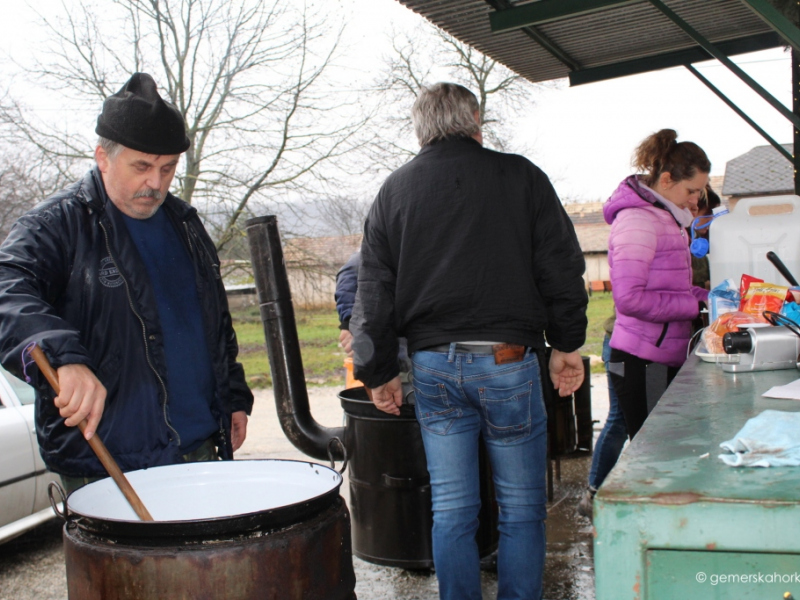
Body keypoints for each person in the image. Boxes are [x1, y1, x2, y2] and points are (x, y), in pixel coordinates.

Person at [350, 82, 588, 600]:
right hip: (508, 361)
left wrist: (378, 372)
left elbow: (373, 290)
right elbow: (562, 266)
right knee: (521, 508)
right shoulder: (521, 176)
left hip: (433, 368)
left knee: (452, 509)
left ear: (421, 130)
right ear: (475, 122)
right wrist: (567, 344)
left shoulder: (395, 190)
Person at [0, 73, 253, 492]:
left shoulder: (187, 225)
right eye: (142, 166)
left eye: (168, 168)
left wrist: (233, 395)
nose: (156, 183)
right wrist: (62, 356)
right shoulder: (57, 225)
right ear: (103, 157)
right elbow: (7, 285)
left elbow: (214, 326)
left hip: (201, 446)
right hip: (107, 463)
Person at [604, 129, 710, 441]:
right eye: (692, 190)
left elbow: (676, 289)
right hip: (642, 360)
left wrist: (714, 298)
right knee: (654, 454)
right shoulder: (638, 221)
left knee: (672, 450)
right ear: (666, 181)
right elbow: (630, 299)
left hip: (662, 355)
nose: (695, 200)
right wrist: (696, 306)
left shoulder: (667, 219)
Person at [578, 310, 626, 519]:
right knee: (619, 419)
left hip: (630, 345)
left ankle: (594, 492)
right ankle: (593, 493)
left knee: (622, 419)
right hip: (622, 347)